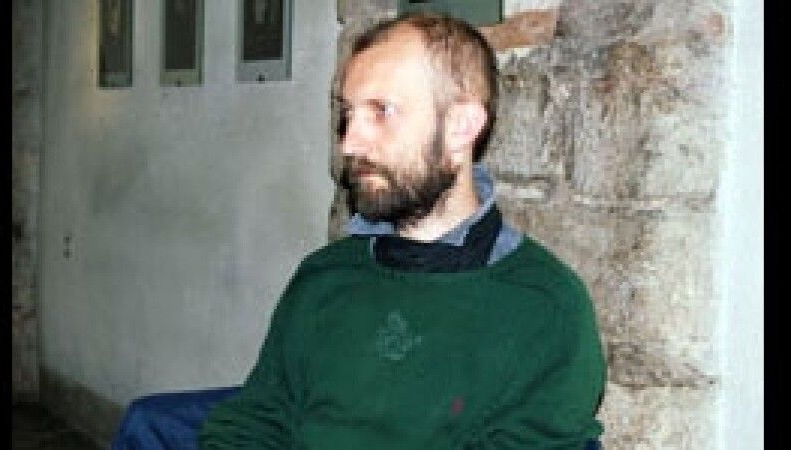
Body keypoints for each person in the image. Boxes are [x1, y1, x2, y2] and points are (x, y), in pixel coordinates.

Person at [113, 12, 606, 450]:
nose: (349, 142)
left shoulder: (545, 307)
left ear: (460, 127)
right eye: (347, 114)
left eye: (381, 111)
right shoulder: (327, 275)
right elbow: (259, 417)